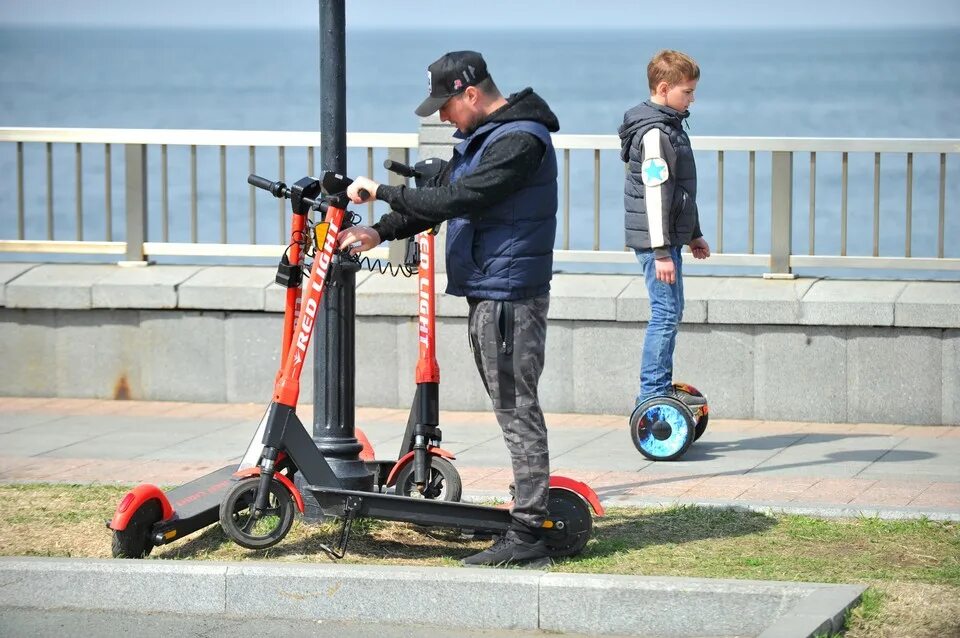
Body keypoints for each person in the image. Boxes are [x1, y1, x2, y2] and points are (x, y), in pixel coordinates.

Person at [338, 50, 560, 567]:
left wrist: (384, 193)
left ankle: (528, 534)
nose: (441, 117)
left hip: (509, 298)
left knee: (516, 408)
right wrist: (376, 231)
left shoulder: (519, 141)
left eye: (445, 106)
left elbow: (459, 200)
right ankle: (528, 518)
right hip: (492, 291)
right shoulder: (490, 138)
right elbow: (442, 194)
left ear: (472, 95)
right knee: (513, 406)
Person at [618, 50, 711, 410]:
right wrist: (660, 252)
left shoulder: (670, 125)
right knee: (665, 313)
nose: (692, 99)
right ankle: (652, 393)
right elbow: (656, 195)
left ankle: (658, 387)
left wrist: (693, 234)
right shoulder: (656, 133)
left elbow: (680, 191)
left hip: (669, 239)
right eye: (687, 92)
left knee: (671, 311)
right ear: (664, 87)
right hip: (658, 243)